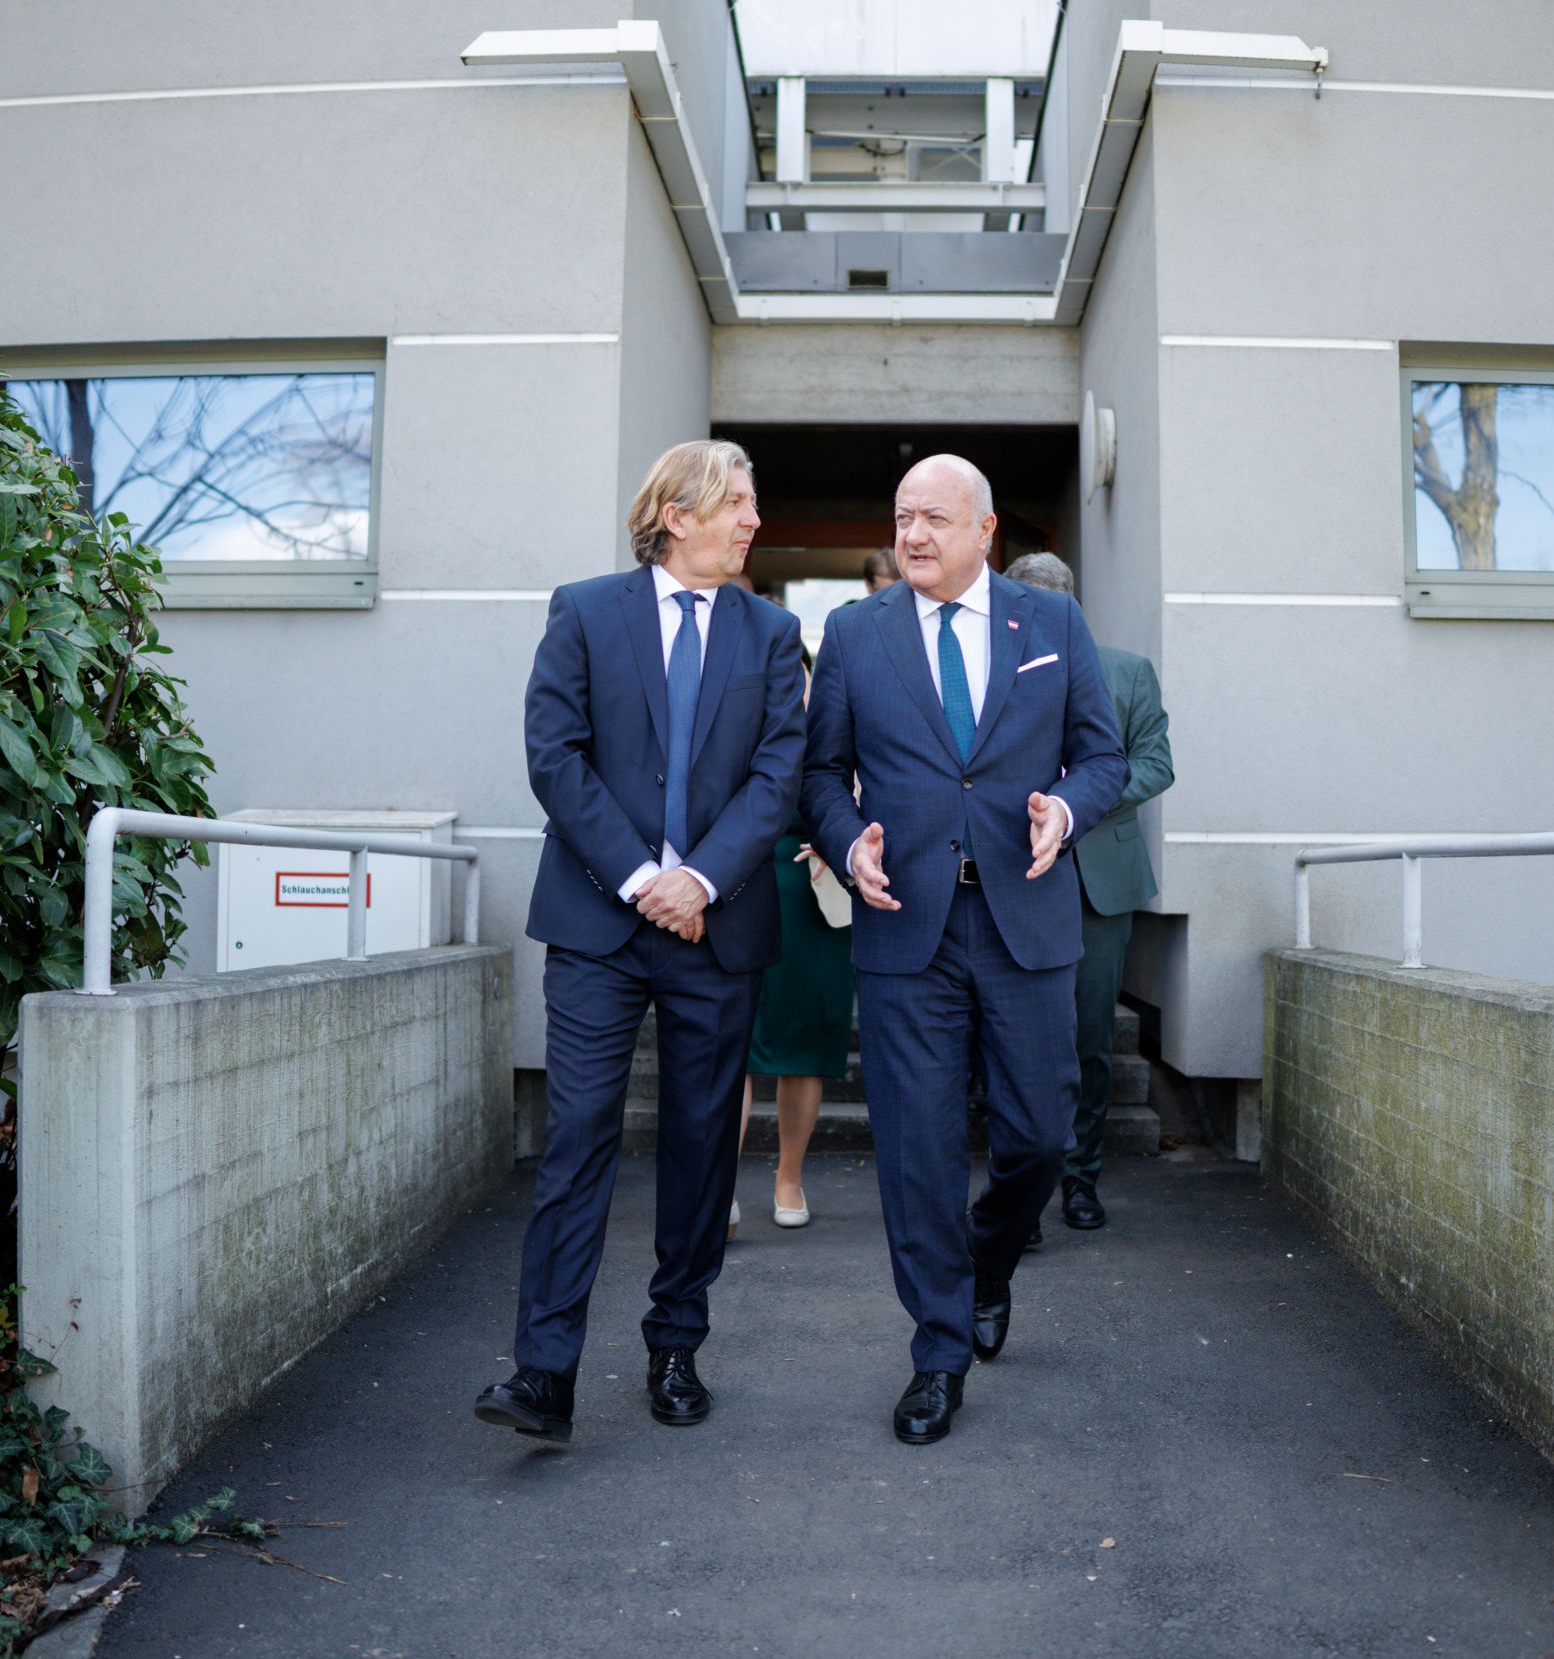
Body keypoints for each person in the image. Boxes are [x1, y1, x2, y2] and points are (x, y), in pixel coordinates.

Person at [474, 439, 804, 1444]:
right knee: (576, 1137)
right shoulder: (584, 611)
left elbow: (778, 771)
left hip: (718, 922)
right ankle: (543, 1373)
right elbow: (554, 754)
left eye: (751, 501)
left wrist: (698, 878)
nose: (751, 520)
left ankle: (675, 1345)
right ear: (675, 513)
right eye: (735, 502)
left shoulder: (774, 632)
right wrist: (640, 879)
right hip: (595, 922)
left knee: (703, 1145)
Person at [801, 455, 1126, 1445]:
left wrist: (1062, 810)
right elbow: (821, 767)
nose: (912, 535)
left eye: (934, 518)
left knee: (1035, 1133)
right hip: (907, 922)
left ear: (985, 531)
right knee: (916, 1150)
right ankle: (937, 1351)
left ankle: (985, 1264)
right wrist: (843, 831)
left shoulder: (1052, 626)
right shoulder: (856, 633)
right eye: (901, 516)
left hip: (1022, 915)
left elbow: (1103, 755)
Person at [1004, 553, 1173, 1232]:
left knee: (1090, 1036)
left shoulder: (1126, 672)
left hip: (1101, 877)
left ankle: (1080, 1179)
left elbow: (1156, 763)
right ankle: (1021, 1191)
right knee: (1013, 1036)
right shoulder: (991, 674)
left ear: (1071, 607)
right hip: (1014, 873)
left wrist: (1077, 804)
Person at [732, 647, 855, 1234]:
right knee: (729, 1043)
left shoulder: (835, 722)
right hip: (737, 882)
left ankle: (790, 1175)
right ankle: (717, 1187)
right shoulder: (730, 719)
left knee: (804, 1045)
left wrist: (847, 830)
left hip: (813, 889)